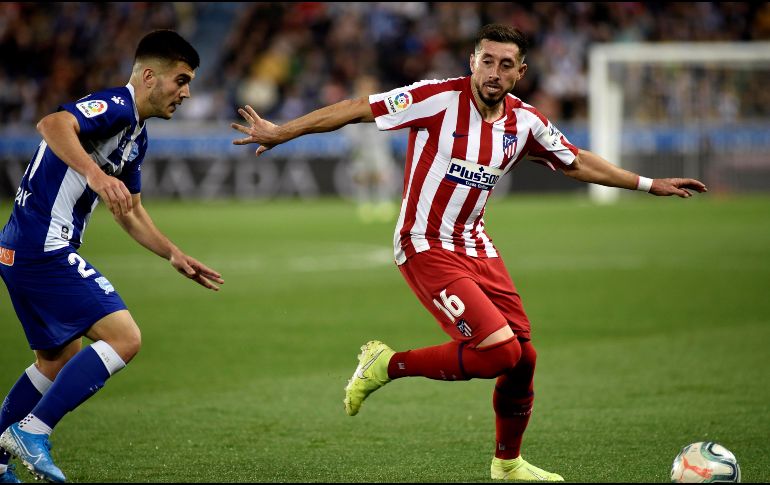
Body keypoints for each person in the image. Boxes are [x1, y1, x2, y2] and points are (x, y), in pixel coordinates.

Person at [230, 24, 707, 481]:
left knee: (523, 358)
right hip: (424, 242)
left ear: (520, 72)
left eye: (506, 64)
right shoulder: (436, 98)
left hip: (476, 244)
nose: (494, 72)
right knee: (499, 352)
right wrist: (282, 132)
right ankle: (386, 365)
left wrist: (649, 184)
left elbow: (576, 160)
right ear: (472, 62)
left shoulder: (526, 121)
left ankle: (508, 464)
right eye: (487, 61)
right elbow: (359, 108)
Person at [0, 30, 224, 483]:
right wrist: (95, 175)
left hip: (21, 248)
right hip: (43, 246)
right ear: (149, 76)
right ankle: (33, 430)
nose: (186, 93)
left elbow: (131, 210)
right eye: (181, 80)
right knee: (125, 338)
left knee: (56, 361)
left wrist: (173, 254)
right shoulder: (117, 105)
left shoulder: (136, 137)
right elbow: (52, 124)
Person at [342, 75, 399, 223]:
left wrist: (384, 138)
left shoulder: (381, 99)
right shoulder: (352, 102)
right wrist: (354, 141)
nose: (366, 88)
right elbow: (347, 124)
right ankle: (364, 205)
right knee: (362, 175)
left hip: (378, 144)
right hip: (360, 145)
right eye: (363, 85)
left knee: (382, 174)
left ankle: (384, 204)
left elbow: (389, 121)